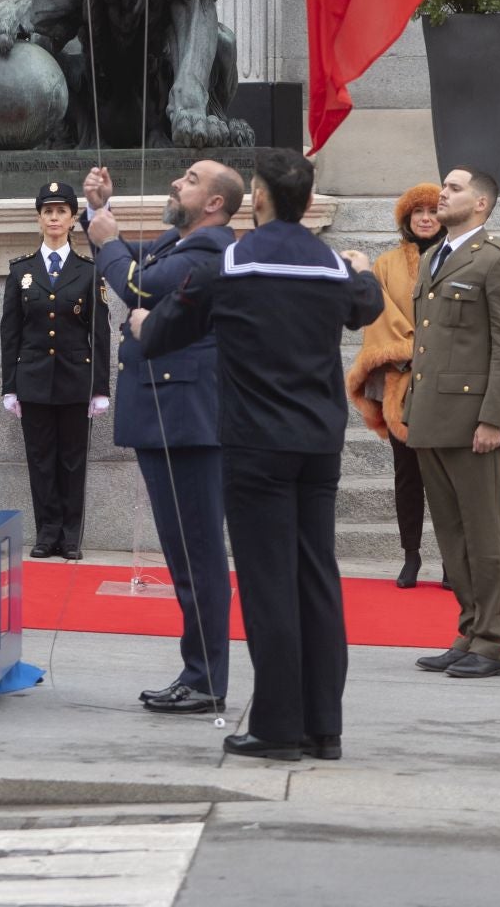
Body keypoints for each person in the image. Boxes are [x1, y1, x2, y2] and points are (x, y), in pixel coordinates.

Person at [132, 148, 382, 761]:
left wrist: (142, 321)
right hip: (319, 443)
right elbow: (367, 306)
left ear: (260, 199)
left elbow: (164, 334)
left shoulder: (232, 262)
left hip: (256, 444)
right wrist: (365, 268)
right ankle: (324, 727)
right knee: (317, 580)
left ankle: (275, 727)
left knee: (269, 586)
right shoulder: (330, 264)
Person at [83, 159, 242, 717]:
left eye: (191, 180)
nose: (177, 182)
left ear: (215, 203)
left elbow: (134, 284)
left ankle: (205, 678)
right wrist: (101, 212)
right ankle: (199, 672)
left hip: (187, 421)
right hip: (167, 414)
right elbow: (138, 264)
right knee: (185, 553)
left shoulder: (208, 250)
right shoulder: (183, 244)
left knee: (197, 554)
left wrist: (106, 240)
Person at [405, 166, 500, 680]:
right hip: (432, 416)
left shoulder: (498, 261)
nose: (442, 193)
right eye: (443, 186)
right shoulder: (434, 255)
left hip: (474, 420)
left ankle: (494, 641)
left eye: (454, 189)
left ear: (480, 203)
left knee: (485, 534)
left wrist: (494, 418)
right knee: (453, 535)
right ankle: (470, 630)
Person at [1, 181, 111, 559]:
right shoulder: (21, 272)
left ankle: (70, 537)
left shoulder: (87, 271)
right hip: (32, 380)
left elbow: (100, 334)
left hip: (75, 381)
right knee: (40, 459)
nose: (53, 217)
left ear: (72, 218)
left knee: (72, 460)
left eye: (61, 211)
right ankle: (46, 533)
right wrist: (9, 386)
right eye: (47, 211)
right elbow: (10, 333)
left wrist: (100, 388)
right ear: (39, 218)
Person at [346, 182, 442, 589]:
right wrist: (412, 348)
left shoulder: (456, 260)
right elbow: (378, 314)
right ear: (406, 218)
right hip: (401, 378)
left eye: (432, 211)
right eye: (417, 212)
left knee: (446, 476)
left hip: (446, 380)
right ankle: (411, 556)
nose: (425, 218)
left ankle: (453, 559)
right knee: (408, 475)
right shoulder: (384, 264)